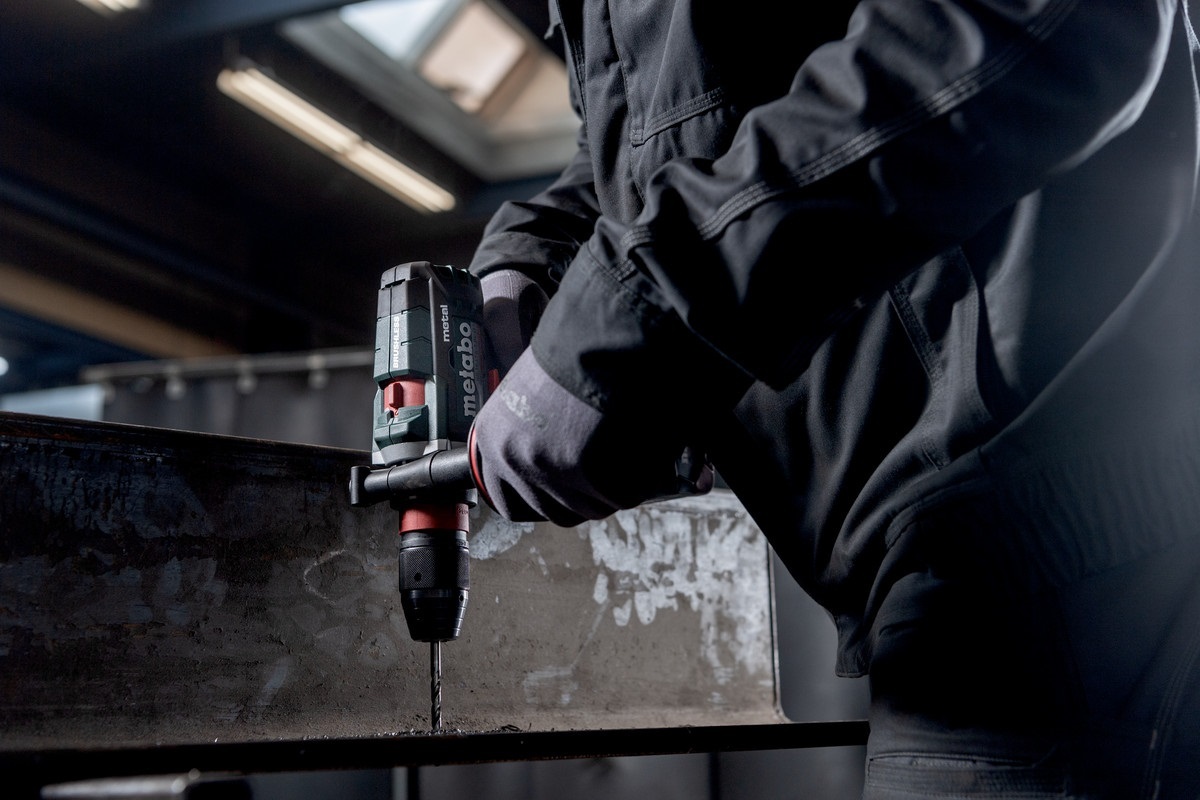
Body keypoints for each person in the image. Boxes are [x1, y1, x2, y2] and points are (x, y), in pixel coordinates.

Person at [464, 1, 1200, 796]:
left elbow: (1045, 19)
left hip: (1052, 527)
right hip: (952, 562)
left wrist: (628, 323)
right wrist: (530, 257)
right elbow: (661, 134)